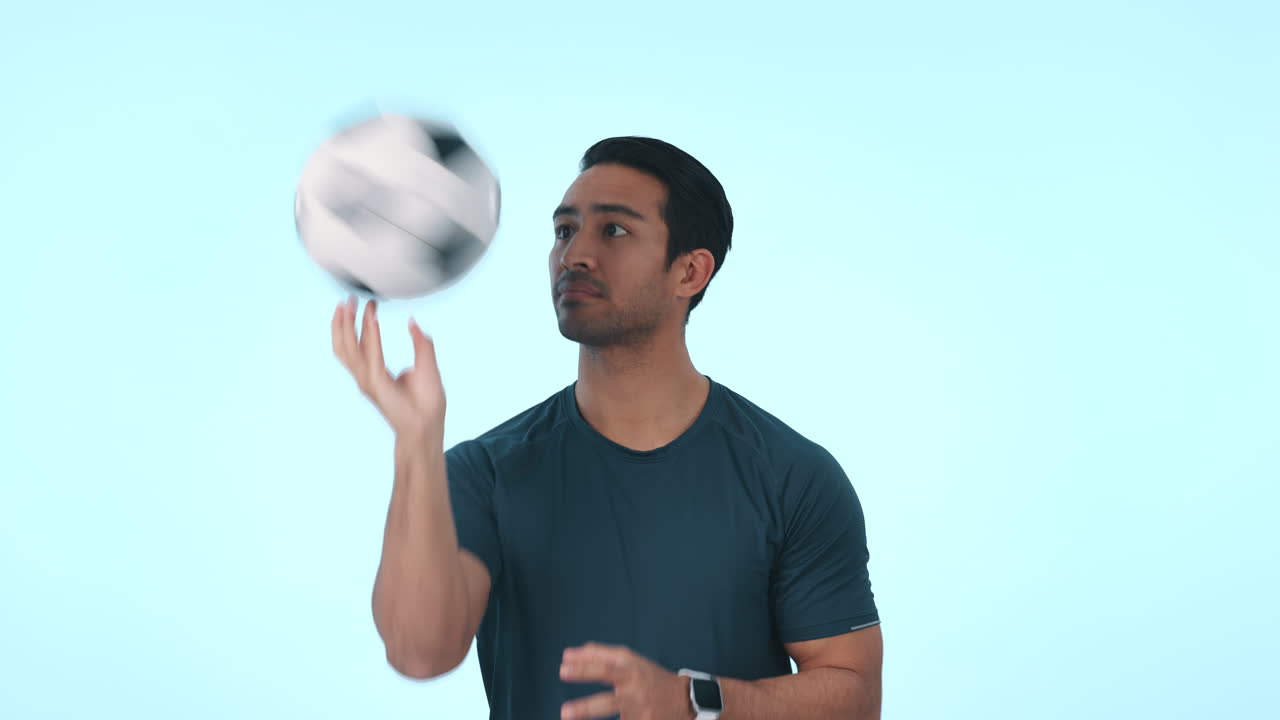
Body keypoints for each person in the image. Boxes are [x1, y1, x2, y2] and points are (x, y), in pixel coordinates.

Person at [332, 137, 883, 720]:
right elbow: (420, 653)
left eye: (613, 231)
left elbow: (854, 697)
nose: (575, 256)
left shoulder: (792, 476)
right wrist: (416, 442)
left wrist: (695, 702)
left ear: (690, 272)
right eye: (564, 231)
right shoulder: (485, 473)